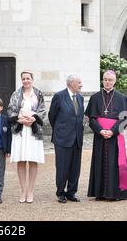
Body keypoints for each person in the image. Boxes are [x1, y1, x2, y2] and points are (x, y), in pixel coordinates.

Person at [85, 70, 127, 201]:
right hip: (100, 136)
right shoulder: (95, 97)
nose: (107, 82)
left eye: (110, 80)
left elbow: (124, 119)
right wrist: (100, 131)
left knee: (115, 163)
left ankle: (113, 193)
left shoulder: (121, 98)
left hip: (114, 136)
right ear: (102, 80)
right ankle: (100, 193)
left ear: (115, 81)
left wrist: (113, 131)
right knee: (99, 162)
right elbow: (90, 119)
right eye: (105, 79)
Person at [7, 71, 45, 203]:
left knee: (33, 160)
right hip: (20, 130)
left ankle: (30, 191)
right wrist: (20, 120)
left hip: (34, 130)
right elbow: (11, 109)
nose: (26, 81)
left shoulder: (38, 93)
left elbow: (42, 110)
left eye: (28, 78)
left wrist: (33, 118)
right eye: (23, 79)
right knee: (21, 160)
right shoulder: (16, 94)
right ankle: (23, 190)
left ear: (32, 79)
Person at [48, 75, 84, 203]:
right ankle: (61, 193)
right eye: (79, 82)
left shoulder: (80, 97)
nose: (81, 84)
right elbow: (52, 116)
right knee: (62, 167)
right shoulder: (59, 96)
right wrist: (60, 130)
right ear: (71, 83)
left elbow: (79, 117)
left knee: (75, 168)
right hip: (62, 139)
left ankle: (71, 192)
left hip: (77, 139)